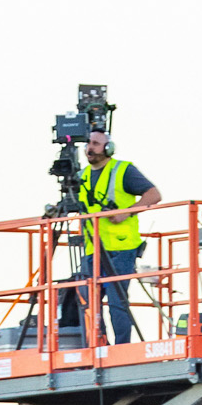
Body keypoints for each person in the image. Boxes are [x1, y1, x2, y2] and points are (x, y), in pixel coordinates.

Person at [70, 130, 162, 344]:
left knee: (116, 302)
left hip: (121, 248)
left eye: (95, 143)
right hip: (93, 247)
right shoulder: (81, 176)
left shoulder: (123, 170)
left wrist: (126, 212)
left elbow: (154, 194)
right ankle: (100, 345)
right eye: (88, 144)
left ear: (108, 148)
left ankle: (121, 347)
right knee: (87, 299)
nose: (90, 148)